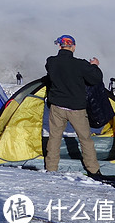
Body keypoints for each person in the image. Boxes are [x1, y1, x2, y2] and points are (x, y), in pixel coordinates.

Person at [44, 34, 103, 178]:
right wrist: (94, 66)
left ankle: (51, 168)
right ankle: (93, 170)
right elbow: (95, 79)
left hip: (57, 107)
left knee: (54, 138)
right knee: (85, 139)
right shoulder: (81, 65)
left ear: (59, 46)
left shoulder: (51, 62)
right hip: (76, 108)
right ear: (74, 47)